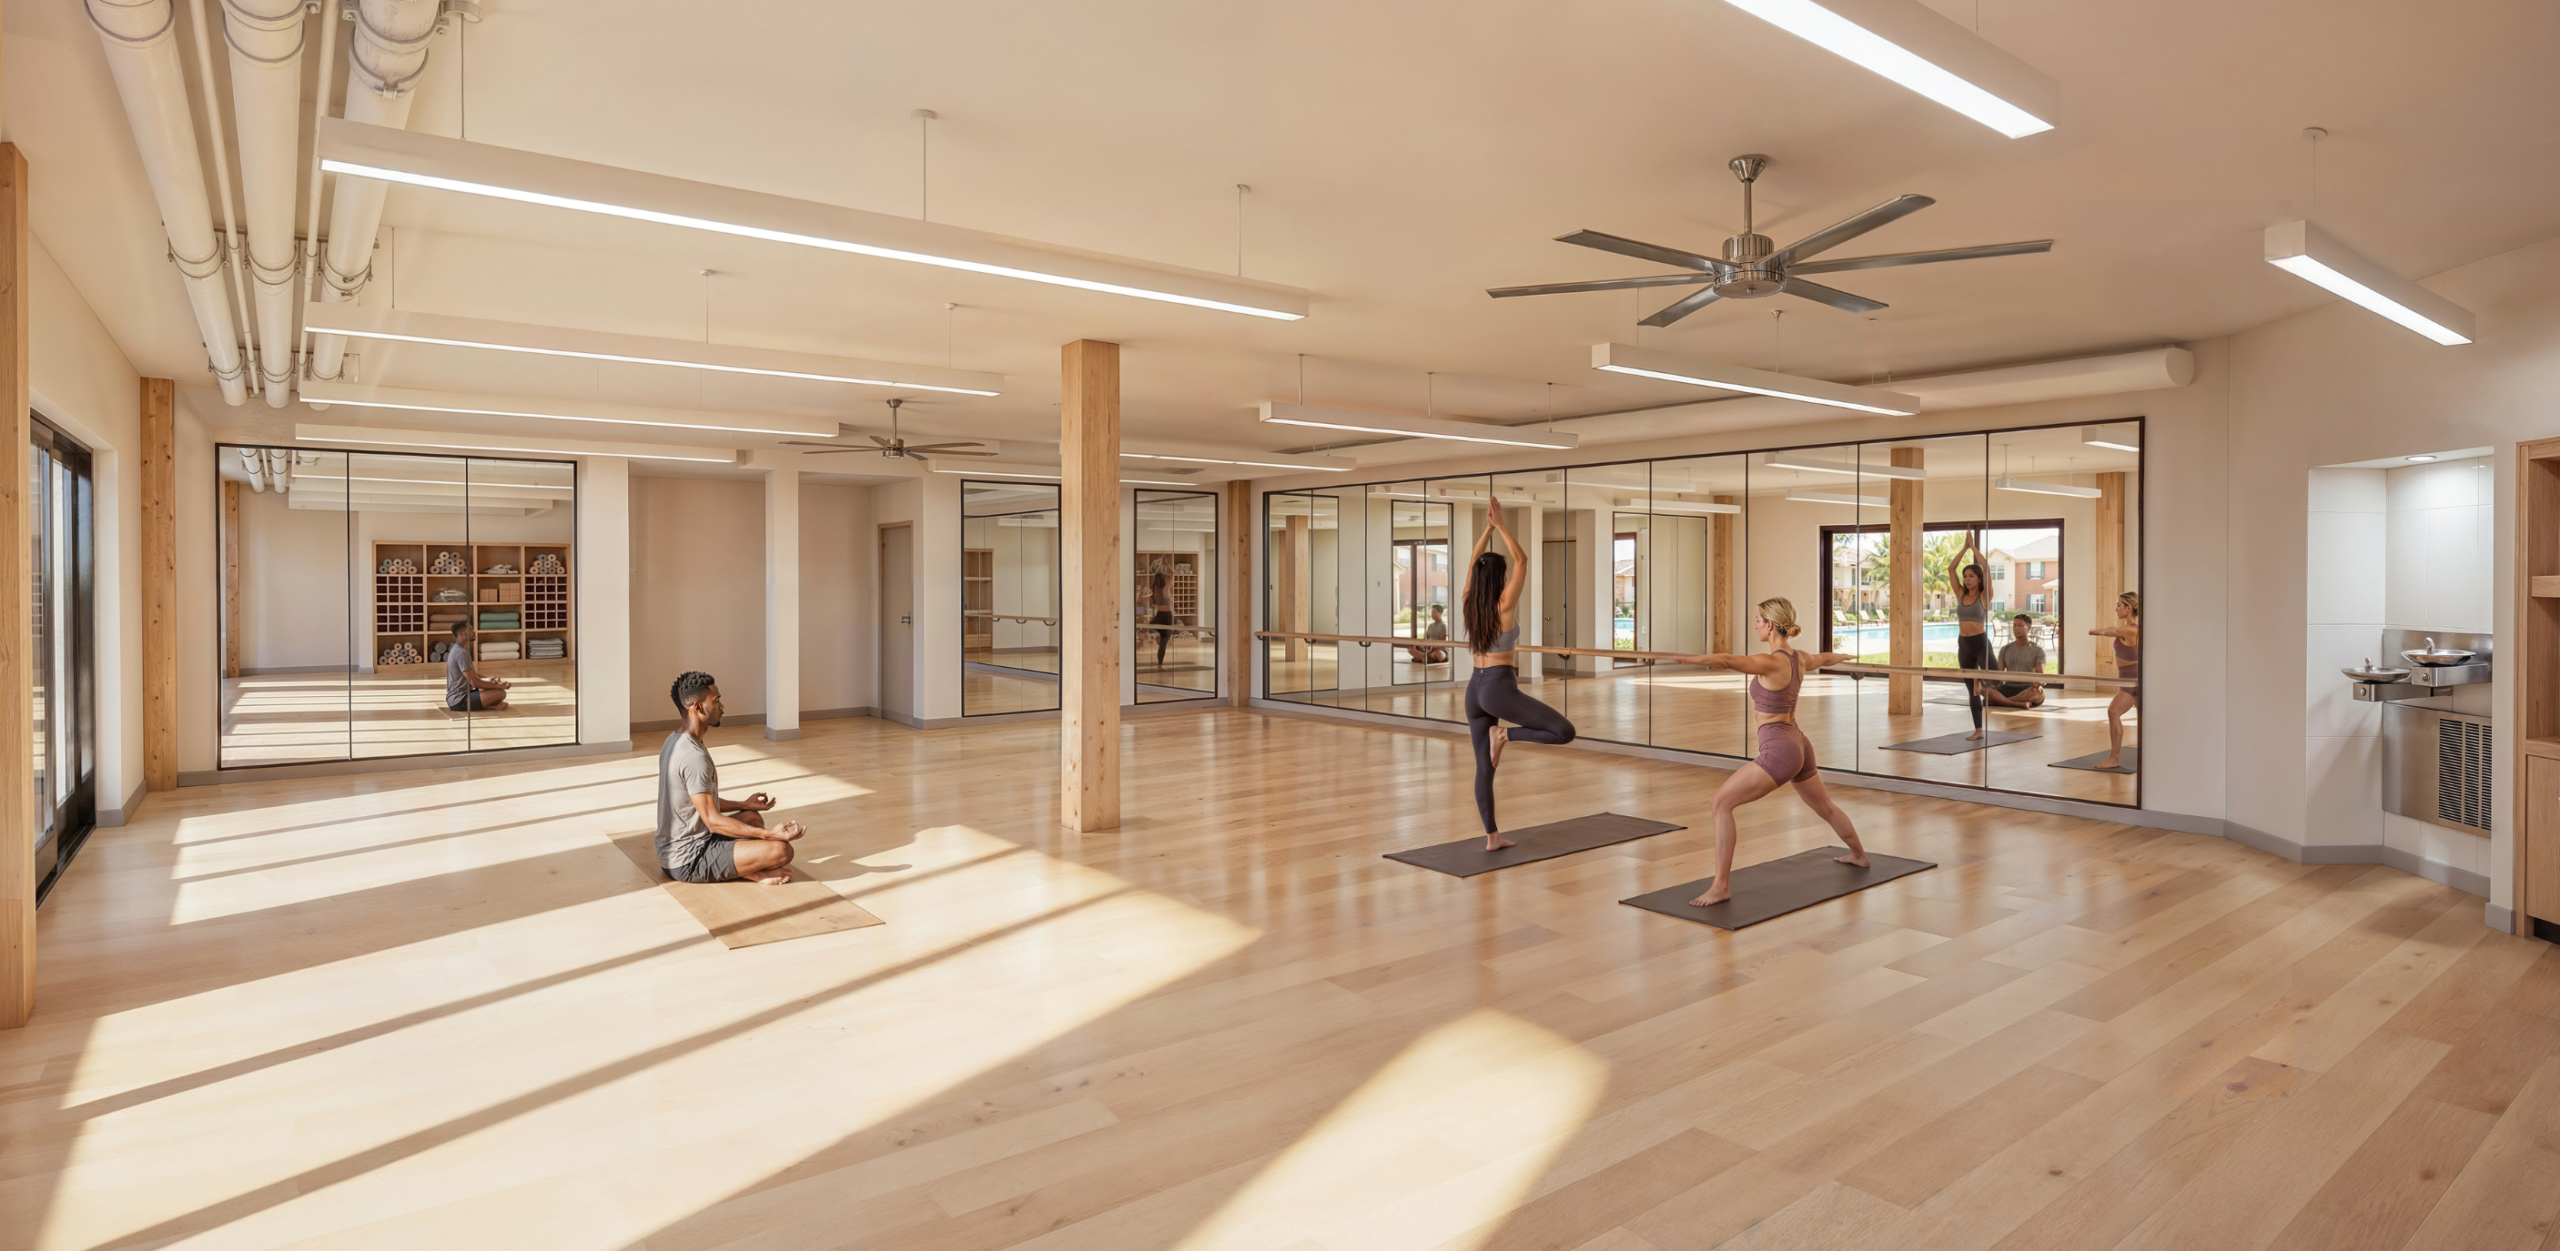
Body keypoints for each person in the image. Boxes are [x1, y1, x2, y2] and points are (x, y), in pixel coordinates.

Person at [1675, 597, 1871, 907]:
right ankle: (1858, 855)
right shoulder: (1800, 658)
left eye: (1757, 620)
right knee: (1825, 806)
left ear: (1769, 625)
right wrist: (1844, 656)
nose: (1754, 625)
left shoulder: (1772, 661)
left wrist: (1691, 659)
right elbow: (1825, 658)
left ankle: (1720, 886)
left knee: (1720, 803)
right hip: (1799, 743)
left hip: (1780, 748)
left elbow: (1728, 660)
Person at [1463, 508, 1575, 851]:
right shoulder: (1503, 604)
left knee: (1484, 768)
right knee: (1565, 732)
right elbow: (1522, 559)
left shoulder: (1470, 601)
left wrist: (1486, 532)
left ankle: (1492, 836)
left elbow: (1472, 562)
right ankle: (1505, 735)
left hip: (1474, 688)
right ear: (1500, 579)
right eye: (1505, 574)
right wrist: (1500, 526)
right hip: (1498, 687)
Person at [657, 670, 804, 885]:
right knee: (782, 851)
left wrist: (743, 804)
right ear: (697, 707)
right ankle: (750, 872)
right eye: (716, 701)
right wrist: (770, 835)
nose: (722, 706)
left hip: (685, 843)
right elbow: (713, 821)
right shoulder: (693, 757)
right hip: (687, 860)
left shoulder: (676, 739)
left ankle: (739, 865)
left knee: (752, 816)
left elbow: (697, 803)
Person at [1947, 535, 1994, 740]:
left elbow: (1988, 567)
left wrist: (1973, 548)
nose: (1966, 579)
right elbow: (1950, 569)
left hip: (1980, 643)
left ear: (1980, 579)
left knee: (1996, 679)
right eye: (1965, 575)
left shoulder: (1985, 596)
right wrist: (1963, 548)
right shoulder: (1961, 595)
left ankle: (1981, 680)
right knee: (1971, 691)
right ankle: (1978, 730)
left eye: (1971, 576)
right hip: (1964, 644)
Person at [2089, 591, 2141, 769]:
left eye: (2119, 605)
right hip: (2128, 681)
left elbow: (2115, 630)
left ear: (2129, 607)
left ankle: (2114, 758)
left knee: (2113, 712)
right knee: (2144, 720)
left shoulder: (2132, 629)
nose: (2116, 608)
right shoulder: (2132, 629)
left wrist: (2100, 631)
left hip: (2132, 683)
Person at [1982, 612, 2048, 709]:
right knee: (1983, 689)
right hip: (2007, 688)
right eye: (2015, 625)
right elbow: (1999, 676)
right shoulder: (2005, 649)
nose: (2016, 628)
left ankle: (2003, 701)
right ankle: (2017, 703)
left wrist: (2039, 683)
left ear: (2029, 628)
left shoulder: (2038, 650)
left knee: (2039, 693)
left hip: (2027, 689)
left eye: (2020, 625)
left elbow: (2041, 676)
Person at [445, 621, 510, 712]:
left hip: (461, 696)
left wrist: (488, 679)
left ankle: (488, 704)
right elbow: (475, 683)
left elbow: (470, 676)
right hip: (459, 701)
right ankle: (491, 707)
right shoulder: (461, 653)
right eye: (471, 629)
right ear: (462, 634)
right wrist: (498, 686)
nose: (474, 631)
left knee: (500, 694)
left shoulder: (458, 650)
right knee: (500, 693)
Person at [1142, 563, 1175, 668]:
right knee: (1164, 641)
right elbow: (1173, 574)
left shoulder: (1155, 591)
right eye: (1165, 577)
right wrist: (1167, 563)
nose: (1166, 578)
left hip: (1159, 615)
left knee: (1151, 624)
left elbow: (1148, 597)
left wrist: (1141, 598)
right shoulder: (1165, 589)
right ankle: (1160, 665)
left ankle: (1142, 633)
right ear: (1163, 580)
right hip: (1167, 616)